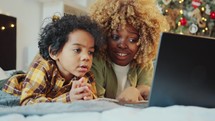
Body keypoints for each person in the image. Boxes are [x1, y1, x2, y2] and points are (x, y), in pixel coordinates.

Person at [2, 14, 103, 105]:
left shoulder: (87, 76)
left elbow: (94, 99)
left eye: (90, 52)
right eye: (77, 50)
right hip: (13, 86)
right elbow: (27, 102)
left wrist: (88, 97)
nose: (86, 57)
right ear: (54, 52)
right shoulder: (43, 67)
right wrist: (69, 98)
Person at [89, 0, 169, 103]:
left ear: (144, 41)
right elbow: (95, 102)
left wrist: (137, 90)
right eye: (115, 37)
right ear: (103, 36)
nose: (122, 45)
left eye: (132, 40)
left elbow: (147, 93)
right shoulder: (97, 61)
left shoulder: (144, 63)